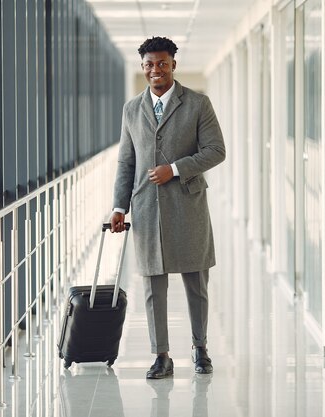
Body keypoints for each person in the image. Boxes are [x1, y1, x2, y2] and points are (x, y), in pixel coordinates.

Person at [109, 36, 226, 379]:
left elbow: (217, 150)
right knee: (152, 286)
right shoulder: (132, 109)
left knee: (196, 282)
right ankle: (161, 355)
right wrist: (119, 206)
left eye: (161, 63)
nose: (155, 70)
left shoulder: (198, 104)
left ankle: (200, 348)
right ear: (142, 68)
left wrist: (174, 169)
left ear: (173, 64)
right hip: (146, 207)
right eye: (148, 65)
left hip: (187, 205)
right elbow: (125, 162)